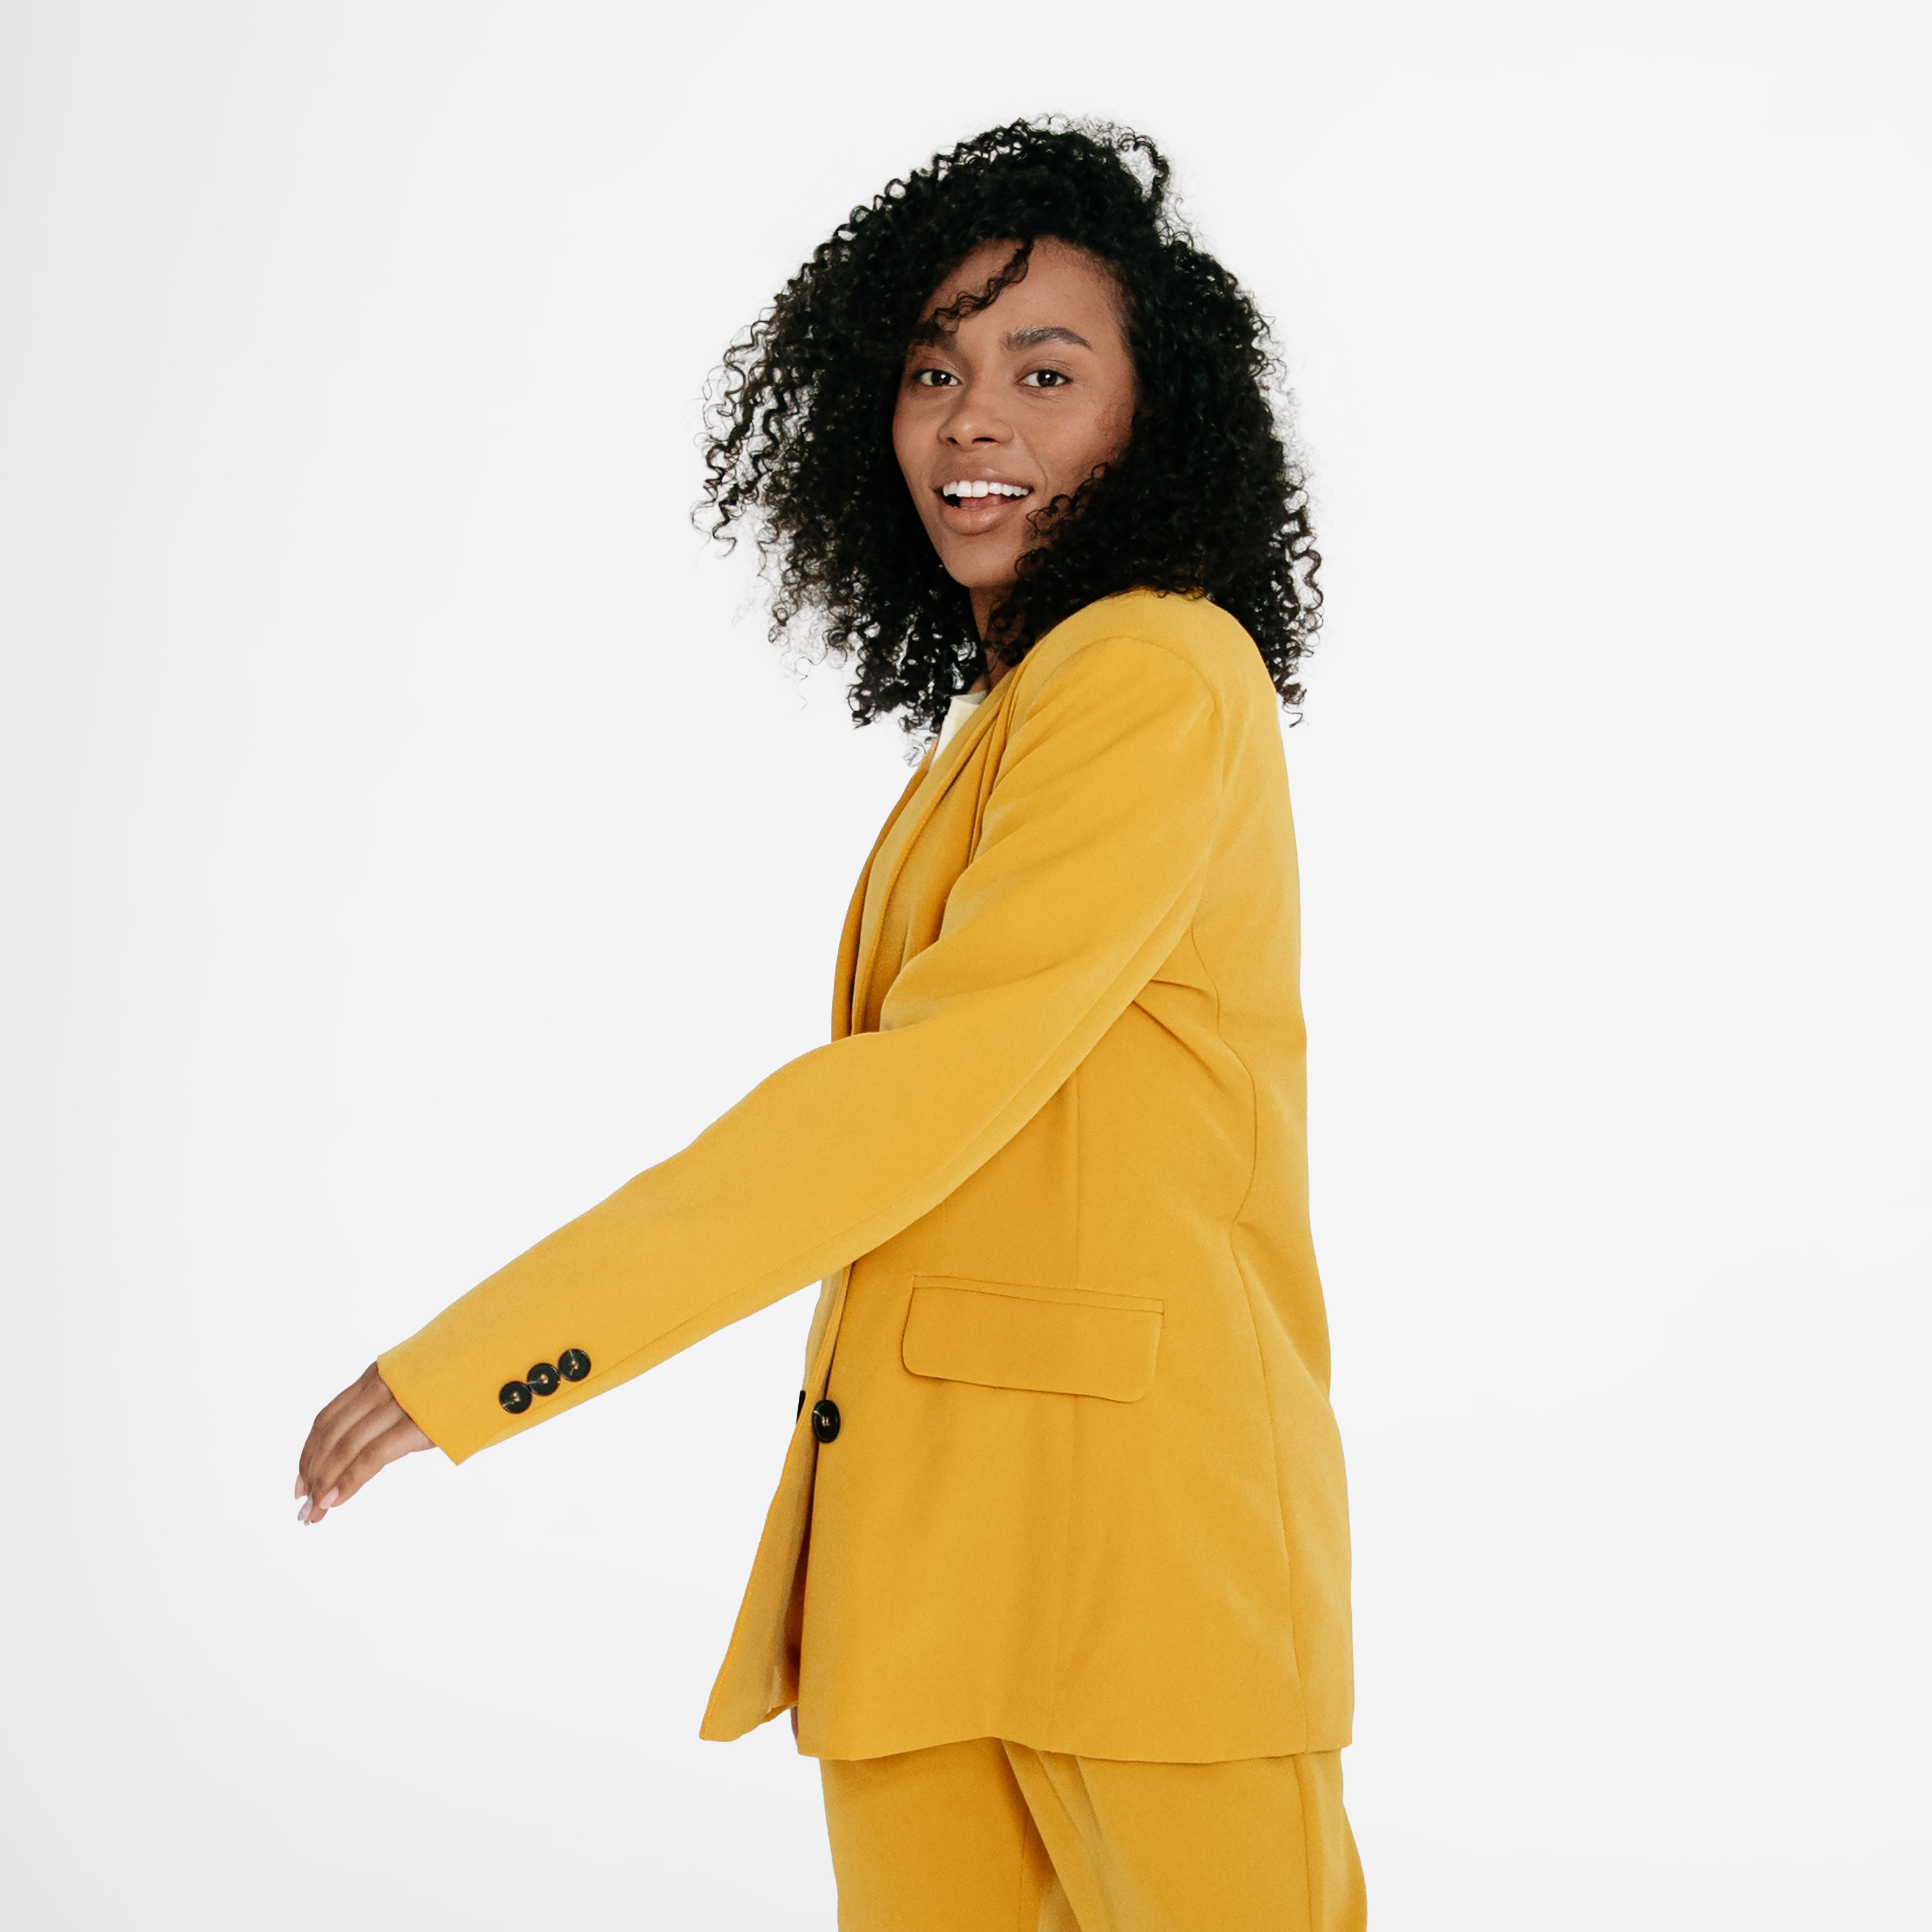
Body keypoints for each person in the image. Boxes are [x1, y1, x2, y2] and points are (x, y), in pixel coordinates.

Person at [295, 119, 1364, 1931]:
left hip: (1141, 1561)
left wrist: (490, 1357)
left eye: (1043, 372)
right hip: (930, 1574)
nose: (971, 420)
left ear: (1153, 416)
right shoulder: (1018, 707)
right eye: (933, 371)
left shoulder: (1152, 671)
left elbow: (909, 1097)